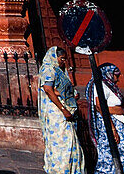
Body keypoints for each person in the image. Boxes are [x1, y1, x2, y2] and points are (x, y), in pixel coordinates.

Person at [86, 62, 124, 174]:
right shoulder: (99, 85)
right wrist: (112, 129)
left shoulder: (110, 86)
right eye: (116, 75)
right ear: (108, 73)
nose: (117, 79)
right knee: (118, 155)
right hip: (113, 124)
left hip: (121, 123)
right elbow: (100, 107)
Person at [37, 46, 85, 174]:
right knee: (61, 141)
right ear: (54, 57)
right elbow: (48, 89)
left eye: (65, 59)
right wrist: (63, 109)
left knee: (70, 140)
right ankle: (60, 170)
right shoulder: (48, 70)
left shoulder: (59, 70)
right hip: (55, 110)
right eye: (61, 58)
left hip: (62, 107)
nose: (63, 61)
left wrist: (70, 94)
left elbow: (59, 89)